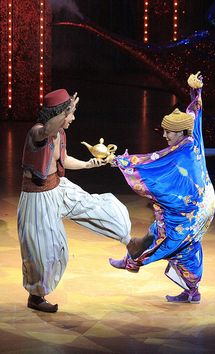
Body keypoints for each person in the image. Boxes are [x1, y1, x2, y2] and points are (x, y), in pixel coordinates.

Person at [17, 89, 153, 313]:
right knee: (47, 250)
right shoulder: (37, 132)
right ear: (59, 113)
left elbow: (65, 159)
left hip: (58, 187)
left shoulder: (60, 133)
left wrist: (89, 164)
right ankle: (36, 296)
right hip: (38, 197)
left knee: (97, 206)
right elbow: (47, 130)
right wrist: (65, 110)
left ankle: (131, 243)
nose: (72, 118)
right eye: (70, 114)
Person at [109, 72, 215, 304]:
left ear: (181, 132)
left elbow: (151, 162)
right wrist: (196, 91)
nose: (165, 135)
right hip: (203, 204)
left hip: (189, 212)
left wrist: (121, 161)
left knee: (169, 245)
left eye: (169, 132)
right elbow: (195, 114)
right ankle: (192, 292)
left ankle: (133, 263)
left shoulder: (178, 152)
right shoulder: (193, 137)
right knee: (166, 238)